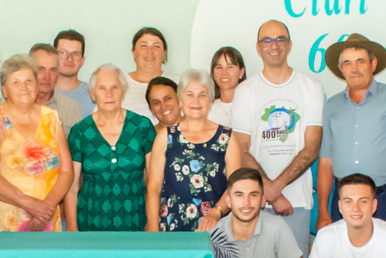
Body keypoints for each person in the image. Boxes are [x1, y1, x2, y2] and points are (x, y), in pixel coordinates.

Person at [230, 20, 324, 254]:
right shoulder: (245, 90)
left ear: (289, 45)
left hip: (297, 201)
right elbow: (241, 148)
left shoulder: (311, 87)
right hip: (254, 201)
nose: (274, 45)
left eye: (281, 39)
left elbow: (312, 147)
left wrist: (275, 189)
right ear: (258, 47)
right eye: (267, 40)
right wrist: (269, 192)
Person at [317, 33, 386, 233]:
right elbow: (326, 161)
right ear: (341, 69)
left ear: (373, 64)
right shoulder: (331, 106)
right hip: (343, 202)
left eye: (360, 61)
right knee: (343, 254)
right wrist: (323, 211)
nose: (354, 68)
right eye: (347, 63)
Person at [0, 55, 73, 258]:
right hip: (5, 222)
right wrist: (30, 204)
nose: (24, 87)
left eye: (29, 80)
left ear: (37, 86)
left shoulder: (51, 117)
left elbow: (66, 170)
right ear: (4, 90)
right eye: (16, 82)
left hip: (46, 218)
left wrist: (45, 208)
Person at [65, 63, 156, 232]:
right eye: (102, 88)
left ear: (123, 91)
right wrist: (72, 229)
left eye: (115, 87)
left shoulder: (142, 127)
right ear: (93, 94)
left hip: (136, 224)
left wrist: (152, 226)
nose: (109, 94)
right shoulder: (80, 132)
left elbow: (153, 183)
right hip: (91, 226)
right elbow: (71, 188)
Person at [147, 70, 237, 232]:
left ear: (210, 101)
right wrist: (153, 231)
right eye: (189, 95)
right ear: (180, 100)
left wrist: (216, 212)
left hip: (215, 227)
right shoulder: (165, 137)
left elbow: (235, 185)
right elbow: (154, 188)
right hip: (172, 227)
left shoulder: (227, 137)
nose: (196, 101)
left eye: (202, 95)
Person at [31, 42, 85, 134]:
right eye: (41, 69)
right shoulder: (10, 104)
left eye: (53, 70)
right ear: (29, 69)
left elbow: (77, 142)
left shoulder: (72, 107)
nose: (47, 77)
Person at [125, 26, 169, 117]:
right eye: (143, 46)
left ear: (164, 53)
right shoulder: (118, 85)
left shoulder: (180, 84)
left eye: (156, 46)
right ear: (134, 52)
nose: (150, 51)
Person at [53, 29, 93, 116]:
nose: (69, 59)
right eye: (63, 53)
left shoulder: (94, 96)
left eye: (76, 54)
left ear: (82, 61)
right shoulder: (40, 92)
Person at [209, 45, 246, 127]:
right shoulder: (207, 108)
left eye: (230, 67)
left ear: (241, 72)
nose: (224, 72)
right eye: (219, 67)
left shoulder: (250, 105)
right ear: (213, 74)